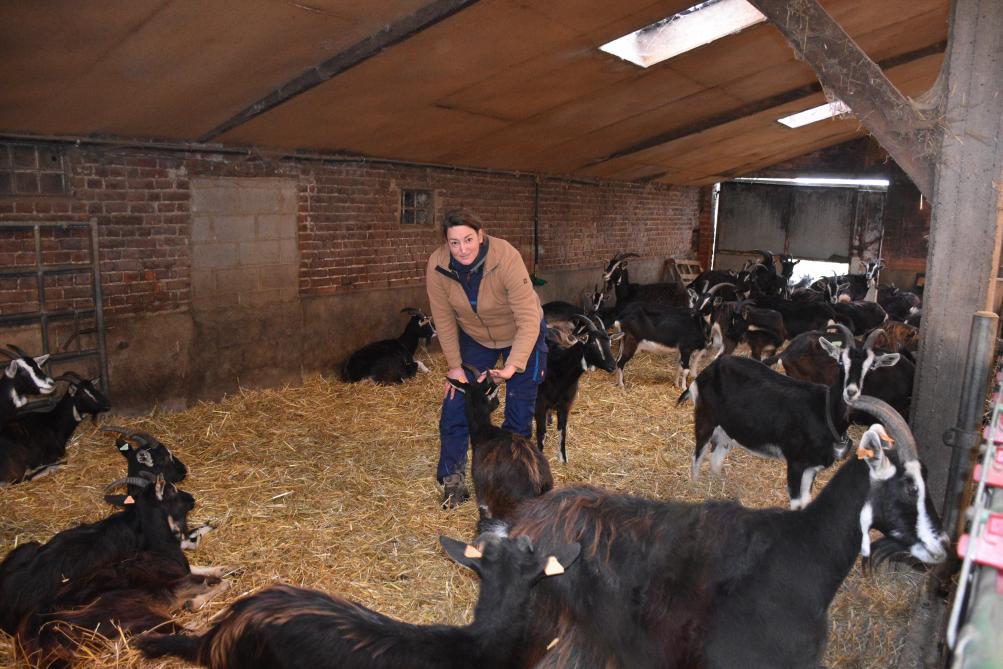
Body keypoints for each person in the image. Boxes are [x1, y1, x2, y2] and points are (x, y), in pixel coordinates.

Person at [425, 208, 548, 508]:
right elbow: (443, 319)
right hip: (477, 336)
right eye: (454, 242)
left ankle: (514, 484)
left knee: (519, 409)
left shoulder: (505, 257)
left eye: (468, 239)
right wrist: (455, 366)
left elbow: (528, 318)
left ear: (480, 235)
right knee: (457, 402)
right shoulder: (438, 266)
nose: (462, 249)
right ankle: (453, 480)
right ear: (446, 242)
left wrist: (512, 367)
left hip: (521, 332)